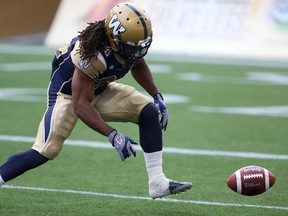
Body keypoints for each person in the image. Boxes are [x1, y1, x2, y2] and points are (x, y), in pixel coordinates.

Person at [0, 2, 192, 199]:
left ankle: (157, 183)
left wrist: (156, 95)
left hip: (99, 88)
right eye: (131, 47)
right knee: (45, 150)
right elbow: (80, 105)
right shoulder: (91, 53)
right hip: (68, 96)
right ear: (115, 39)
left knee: (149, 111)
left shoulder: (126, 43)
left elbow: (137, 62)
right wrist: (112, 134)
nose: (137, 51)